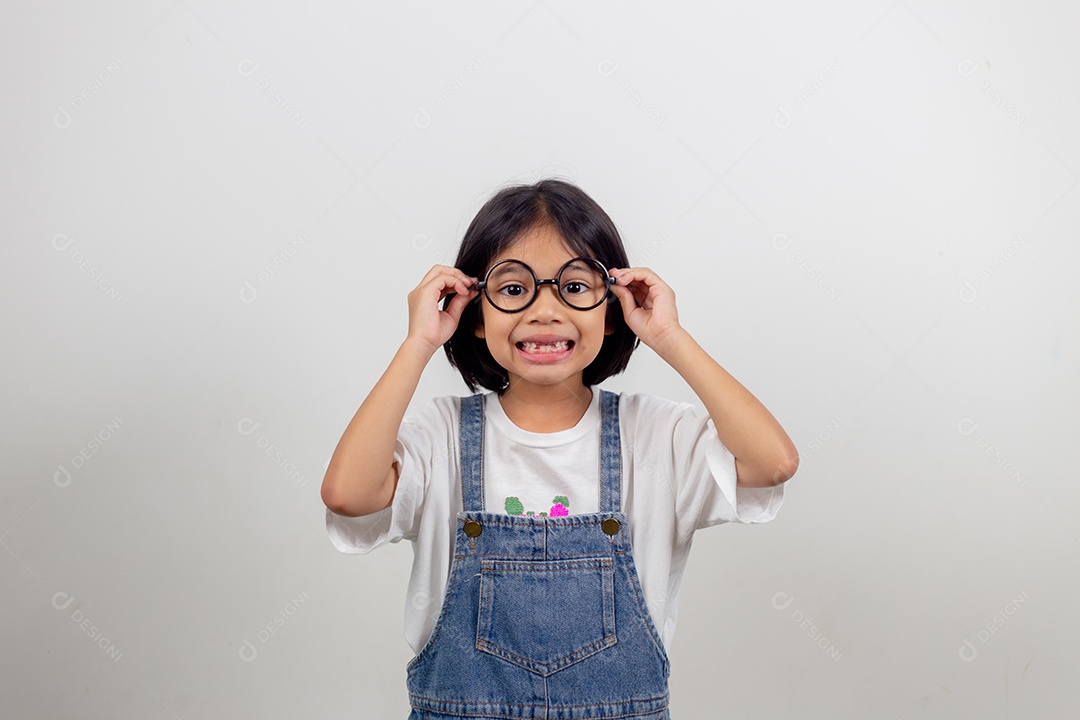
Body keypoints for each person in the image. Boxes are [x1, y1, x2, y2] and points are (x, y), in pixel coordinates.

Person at [321, 178, 798, 719]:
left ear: (613, 308)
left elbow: (772, 463)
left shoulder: (655, 436)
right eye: (513, 288)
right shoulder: (442, 436)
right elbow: (348, 495)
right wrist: (418, 345)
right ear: (475, 314)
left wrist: (668, 336)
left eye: (574, 287)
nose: (545, 311)